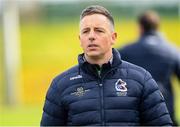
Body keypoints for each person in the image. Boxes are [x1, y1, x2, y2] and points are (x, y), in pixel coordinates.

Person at [40, 5, 172, 126]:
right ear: (80, 39)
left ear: (113, 37)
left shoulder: (141, 79)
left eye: (98, 30)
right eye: (86, 31)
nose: (91, 36)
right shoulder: (60, 85)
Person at [119, 10, 180, 125]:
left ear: (140, 27)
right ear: (157, 27)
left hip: (137, 114)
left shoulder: (126, 51)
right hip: (165, 113)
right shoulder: (173, 51)